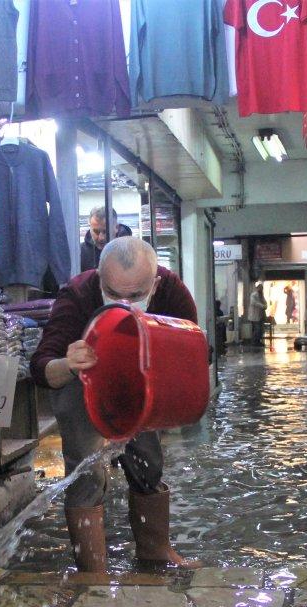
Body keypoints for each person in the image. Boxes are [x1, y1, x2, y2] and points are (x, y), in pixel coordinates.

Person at [31, 236, 202, 573]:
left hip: (139, 379)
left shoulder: (172, 293)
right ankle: (92, 569)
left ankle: (155, 551)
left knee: (148, 462)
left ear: (155, 284)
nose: (124, 303)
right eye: (112, 292)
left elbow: (191, 352)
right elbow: (40, 368)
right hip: (82, 380)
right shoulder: (77, 294)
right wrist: (68, 364)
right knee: (87, 470)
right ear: (99, 279)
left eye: (136, 295)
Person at [79, 206, 133, 273]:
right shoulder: (80, 253)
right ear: (90, 228)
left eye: (105, 232)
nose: (101, 238)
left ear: (116, 227)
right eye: (96, 232)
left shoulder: (132, 251)